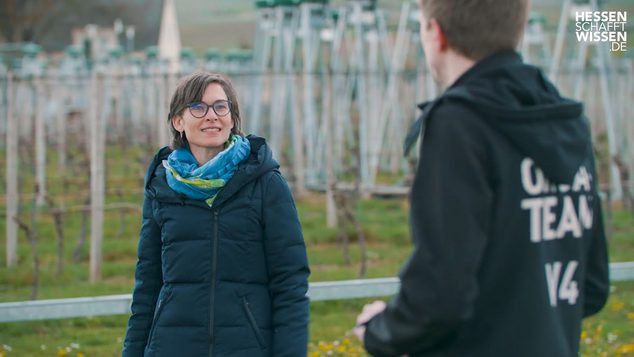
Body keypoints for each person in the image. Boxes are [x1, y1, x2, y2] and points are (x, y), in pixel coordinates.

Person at [354, 0, 610, 356]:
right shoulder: (568, 121)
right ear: (516, 30)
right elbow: (591, 286)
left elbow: (440, 295)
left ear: (435, 34)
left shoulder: (459, 123)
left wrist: (380, 330)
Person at [122, 71, 310, 356]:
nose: (212, 115)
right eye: (198, 107)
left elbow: (290, 283)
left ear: (232, 118)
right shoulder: (162, 186)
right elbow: (148, 284)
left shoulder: (265, 183)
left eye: (221, 106)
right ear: (178, 121)